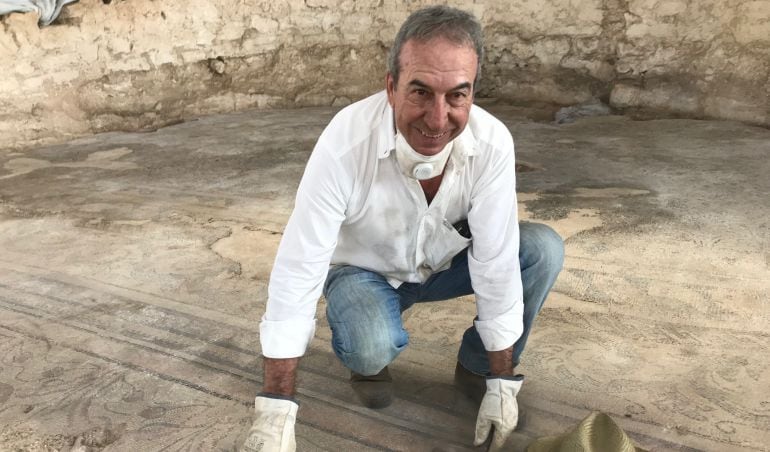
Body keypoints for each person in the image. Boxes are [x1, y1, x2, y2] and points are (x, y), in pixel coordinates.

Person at [242, 5, 564, 451]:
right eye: (420, 92)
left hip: (442, 264)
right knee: (371, 344)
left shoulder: (492, 144)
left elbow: (495, 263)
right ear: (391, 87)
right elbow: (300, 265)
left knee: (541, 249)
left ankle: (475, 367)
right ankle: (367, 360)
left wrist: (502, 379)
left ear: (473, 91)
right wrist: (275, 406)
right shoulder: (345, 142)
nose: (437, 120)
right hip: (364, 271)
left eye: (457, 95)